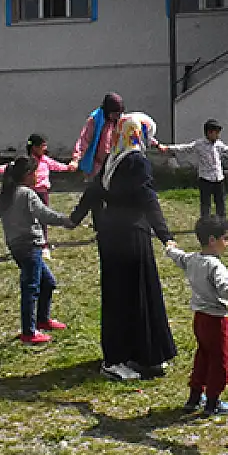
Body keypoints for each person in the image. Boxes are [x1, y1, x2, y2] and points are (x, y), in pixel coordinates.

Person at [70, 113, 178, 382]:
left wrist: (74, 219)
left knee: (124, 295)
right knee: (134, 295)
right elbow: (147, 198)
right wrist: (166, 237)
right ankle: (117, 359)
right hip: (130, 236)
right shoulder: (136, 161)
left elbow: (93, 191)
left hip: (112, 235)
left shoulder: (112, 158)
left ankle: (138, 354)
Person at [0, 157, 76, 344]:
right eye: (35, 173)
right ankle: (29, 332)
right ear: (26, 175)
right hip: (30, 246)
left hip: (17, 247)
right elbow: (44, 214)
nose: (37, 176)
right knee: (31, 288)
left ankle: (42, 319)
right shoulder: (26, 194)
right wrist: (66, 220)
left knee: (47, 283)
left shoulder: (7, 195)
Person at [165, 215, 228, 418]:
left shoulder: (193, 259)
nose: (227, 244)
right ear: (213, 240)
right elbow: (227, 290)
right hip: (216, 320)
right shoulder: (215, 266)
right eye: (225, 238)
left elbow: (178, 256)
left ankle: (194, 397)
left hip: (200, 319)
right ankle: (213, 402)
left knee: (203, 356)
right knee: (219, 360)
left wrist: (169, 248)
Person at [159, 119, 228, 220]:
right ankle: (205, 223)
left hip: (218, 178)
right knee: (206, 203)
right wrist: (167, 148)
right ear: (209, 132)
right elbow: (184, 148)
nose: (218, 135)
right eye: (216, 133)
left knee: (220, 202)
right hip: (205, 179)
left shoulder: (218, 144)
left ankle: (222, 222)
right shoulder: (199, 144)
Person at [21, 133, 75, 259]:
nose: (45, 148)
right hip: (30, 193)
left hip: (42, 193)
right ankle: (30, 244)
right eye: (42, 146)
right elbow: (11, 168)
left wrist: (68, 167)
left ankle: (44, 245)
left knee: (43, 218)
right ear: (34, 147)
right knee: (29, 219)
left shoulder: (45, 160)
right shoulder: (27, 161)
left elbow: (57, 166)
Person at [71, 93, 127, 179]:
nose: (117, 117)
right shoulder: (95, 120)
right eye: (114, 114)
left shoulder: (121, 120)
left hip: (113, 162)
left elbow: (133, 133)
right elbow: (84, 140)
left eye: (119, 114)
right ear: (107, 111)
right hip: (97, 164)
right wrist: (76, 159)